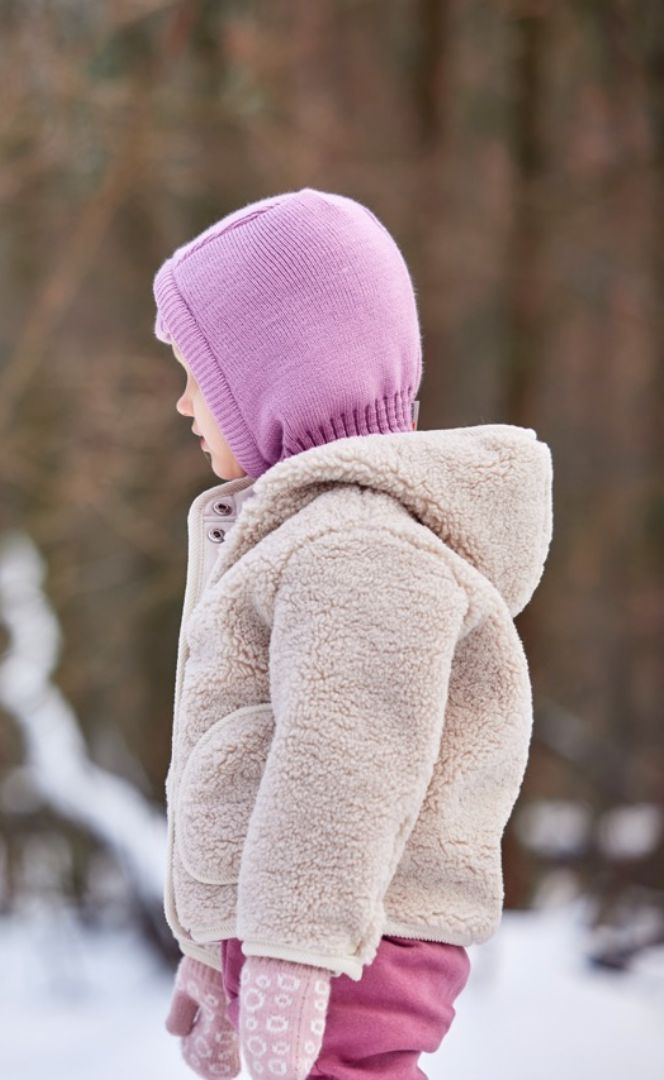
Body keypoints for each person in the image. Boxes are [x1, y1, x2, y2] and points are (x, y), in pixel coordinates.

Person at [153, 188, 554, 1079]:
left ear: (277, 371)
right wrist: (215, 952)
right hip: (315, 924)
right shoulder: (305, 537)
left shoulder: (359, 544)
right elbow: (254, 763)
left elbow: (345, 764)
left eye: (197, 374)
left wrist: (291, 957)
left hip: (353, 934)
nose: (183, 404)